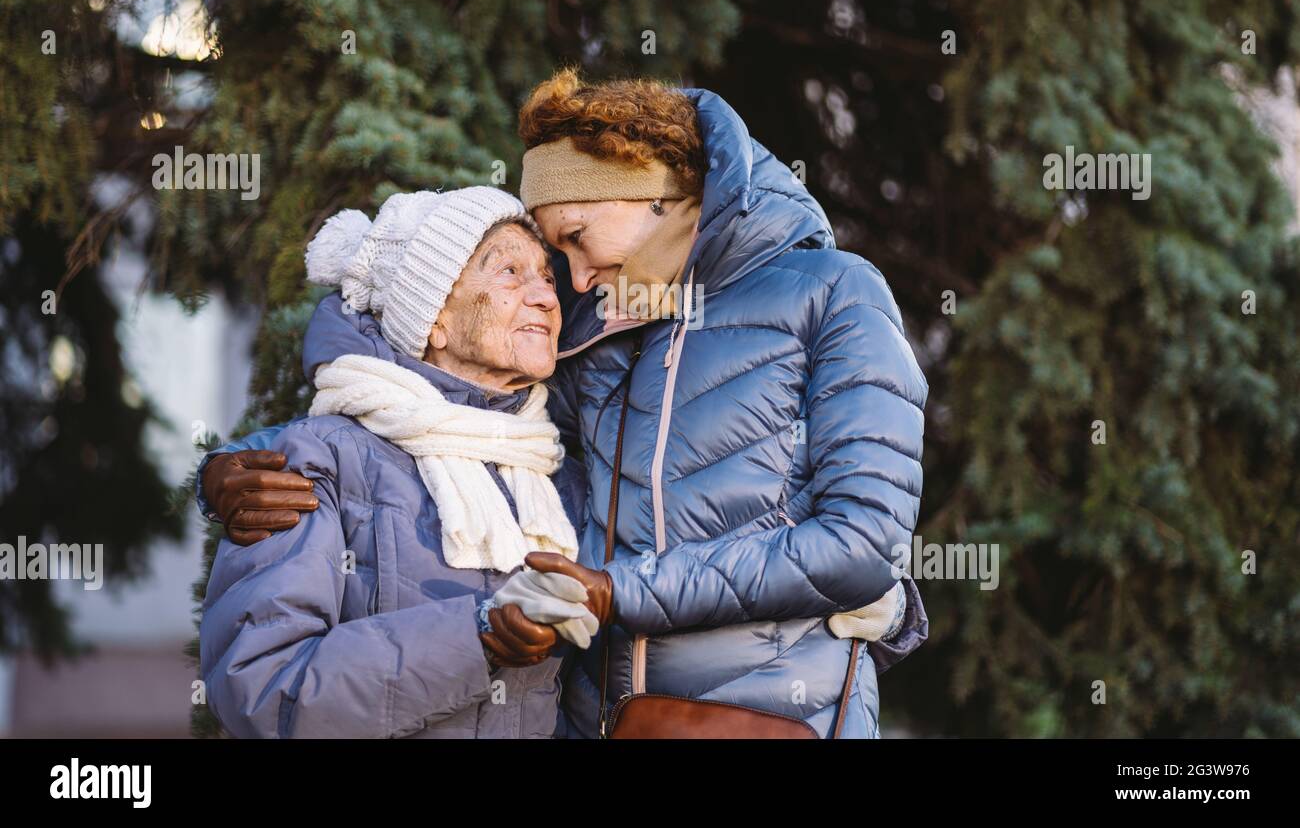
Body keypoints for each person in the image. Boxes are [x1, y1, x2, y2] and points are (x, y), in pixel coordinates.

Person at [201, 71, 930, 738]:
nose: (571, 282)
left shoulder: (832, 293)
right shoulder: (598, 337)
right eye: (554, 260)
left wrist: (618, 592)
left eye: (574, 241)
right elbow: (434, 386)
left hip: (774, 721)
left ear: (651, 192)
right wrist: (224, 475)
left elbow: (863, 543)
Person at [199, 187, 590, 738]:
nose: (547, 298)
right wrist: (474, 638)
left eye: (547, 278)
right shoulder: (320, 461)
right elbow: (263, 689)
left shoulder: (559, 477)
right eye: (508, 272)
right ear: (434, 320)